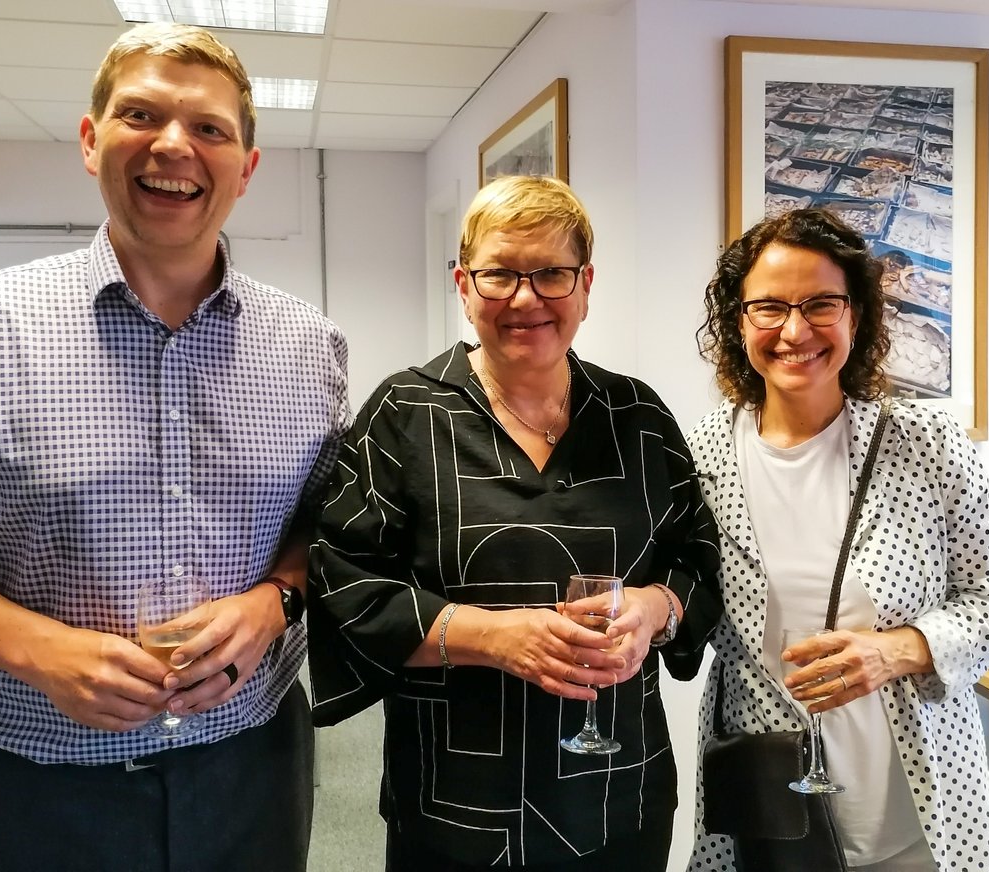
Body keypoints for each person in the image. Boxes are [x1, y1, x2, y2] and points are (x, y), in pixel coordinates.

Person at [0, 22, 348, 872]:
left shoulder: (311, 346)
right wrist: (38, 650)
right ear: (91, 141)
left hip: (252, 777)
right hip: (30, 791)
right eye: (141, 115)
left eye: (209, 128)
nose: (173, 146)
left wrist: (275, 600)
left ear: (247, 167)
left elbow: (327, 529)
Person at [307, 175, 722, 870]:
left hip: (618, 793)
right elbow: (343, 583)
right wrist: (494, 637)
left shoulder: (638, 420)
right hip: (456, 802)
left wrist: (655, 608)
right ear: (463, 285)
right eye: (499, 274)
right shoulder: (407, 415)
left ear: (585, 285)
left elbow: (701, 560)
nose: (526, 298)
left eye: (552, 273)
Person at [686, 208, 989, 872]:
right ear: (738, 321)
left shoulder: (928, 445)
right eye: (769, 308)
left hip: (922, 819)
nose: (794, 330)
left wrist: (898, 650)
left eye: (820, 304)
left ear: (856, 316)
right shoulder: (700, 454)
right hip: (772, 817)